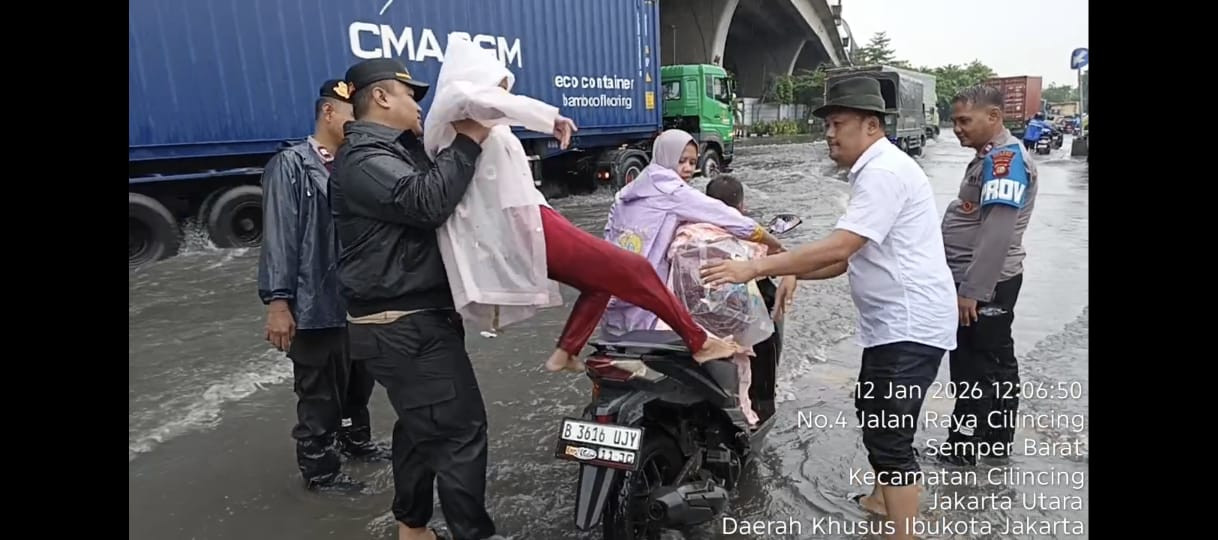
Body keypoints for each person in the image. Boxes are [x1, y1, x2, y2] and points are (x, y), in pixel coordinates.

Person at [700, 76, 957, 540]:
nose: (829, 134)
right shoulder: (875, 171)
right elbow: (844, 259)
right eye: (827, 125)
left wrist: (756, 269)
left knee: (890, 430)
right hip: (895, 323)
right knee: (875, 409)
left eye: (838, 123)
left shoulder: (883, 173)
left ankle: (905, 532)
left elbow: (840, 247)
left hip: (910, 323)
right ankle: (883, 501)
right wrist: (794, 271)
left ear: (872, 125)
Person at [419, 38, 738, 373]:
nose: (504, 96)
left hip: (532, 217)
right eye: (499, 87)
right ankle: (699, 343)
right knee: (638, 269)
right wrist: (549, 118)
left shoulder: (479, 122)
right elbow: (481, 101)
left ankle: (566, 351)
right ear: (477, 79)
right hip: (524, 222)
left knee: (603, 280)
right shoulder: (455, 104)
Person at [328, 58, 499, 540]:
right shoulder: (363, 158)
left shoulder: (396, 151)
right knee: (460, 433)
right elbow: (426, 201)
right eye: (411, 96)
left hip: (407, 322)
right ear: (381, 98)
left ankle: (412, 528)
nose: (419, 106)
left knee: (420, 427)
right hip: (403, 323)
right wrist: (468, 138)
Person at [256, 79, 386, 495]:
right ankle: (320, 471)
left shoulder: (357, 164)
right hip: (314, 304)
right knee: (318, 391)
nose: (358, 124)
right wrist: (278, 302)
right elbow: (280, 236)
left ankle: (356, 441)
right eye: (352, 115)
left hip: (358, 301)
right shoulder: (292, 165)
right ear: (329, 113)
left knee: (358, 382)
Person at [601, 129, 797, 340]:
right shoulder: (674, 191)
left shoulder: (627, 192)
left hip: (613, 294)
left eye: (692, 163)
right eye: (681, 160)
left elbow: (607, 237)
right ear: (665, 156)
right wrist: (773, 243)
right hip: (647, 298)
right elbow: (732, 220)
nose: (687, 169)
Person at [938, 85, 1038, 467]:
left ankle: (964, 449)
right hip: (981, 281)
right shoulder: (989, 157)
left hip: (986, 284)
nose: (957, 129)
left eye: (965, 120)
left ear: (993, 117)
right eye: (954, 122)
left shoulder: (1005, 162)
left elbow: (997, 233)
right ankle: (994, 443)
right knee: (992, 362)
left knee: (977, 367)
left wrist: (972, 292)